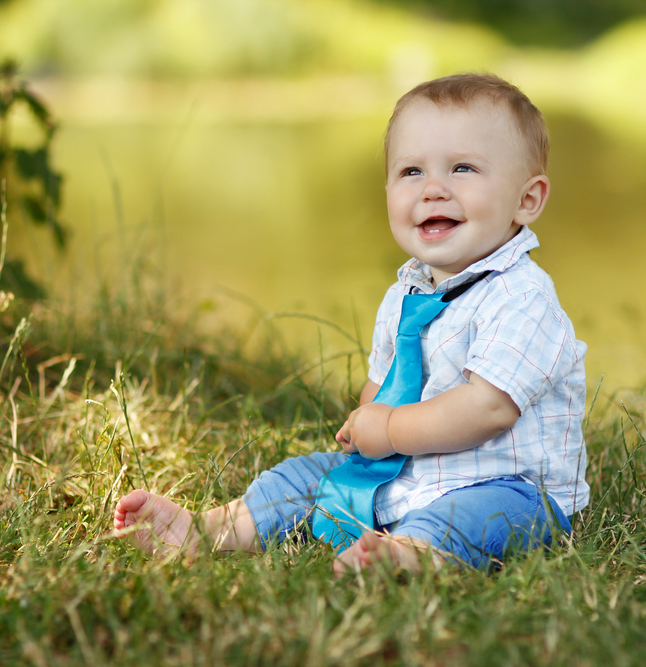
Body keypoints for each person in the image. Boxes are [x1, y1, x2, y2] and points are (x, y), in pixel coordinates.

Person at [113, 73, 589, 573]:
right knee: (305, 476)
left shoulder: (522, 297)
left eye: (463, 168)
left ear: (527, 200)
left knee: (476, 517)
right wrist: (369, 420)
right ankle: (208, 530)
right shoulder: (406, 292)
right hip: (410, 472)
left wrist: (389, 427)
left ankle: (411, 556)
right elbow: (383, 387)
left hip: (508, 486)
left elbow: (488, 407)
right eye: (410, 172)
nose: (432, 189)